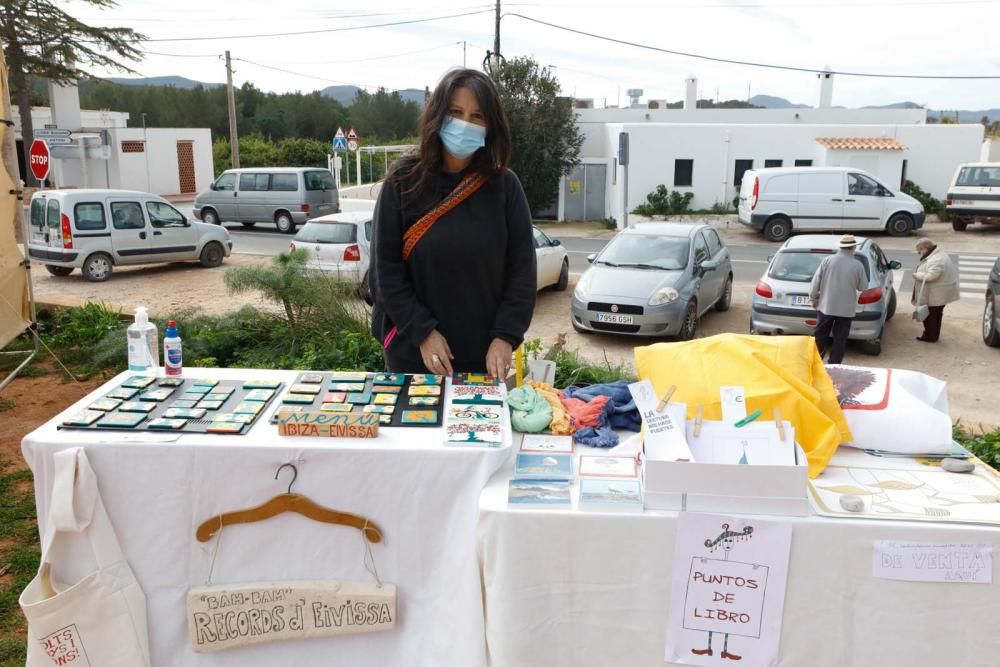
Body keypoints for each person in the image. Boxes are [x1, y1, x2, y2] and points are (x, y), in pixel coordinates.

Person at [369, 68, 537, 378]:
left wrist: (505, 337)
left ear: (490, 126)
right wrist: (422, 332)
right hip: (413, 355)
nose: (464, 124)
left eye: (477, 116)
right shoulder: (402, 181)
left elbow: (522, 273)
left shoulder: (505, 187)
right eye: (455, 112)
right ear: (437, 114)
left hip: (485, 359)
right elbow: (385, 272)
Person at [809, 234, 867, 364]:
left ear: (840, 247)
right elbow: (863, 287)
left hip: (826, 307)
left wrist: (813, 299)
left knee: (820, 336)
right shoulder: (858, 265)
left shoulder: (827, 261)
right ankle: (834, 365)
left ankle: (816, 362)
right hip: (846, 310)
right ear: (853, 247)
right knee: (840, 340)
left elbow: (815, 281)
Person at [912, 237, 959, 342]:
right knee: (936, 315)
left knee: (930, 317)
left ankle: (930, 336)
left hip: (936, 295)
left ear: (925, 248)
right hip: (939, 293)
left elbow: (931, 276)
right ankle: (933, 335)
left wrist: (917, 275)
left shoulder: (936, 259)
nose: (920, 253)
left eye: (920, 251)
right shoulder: (939, 254)